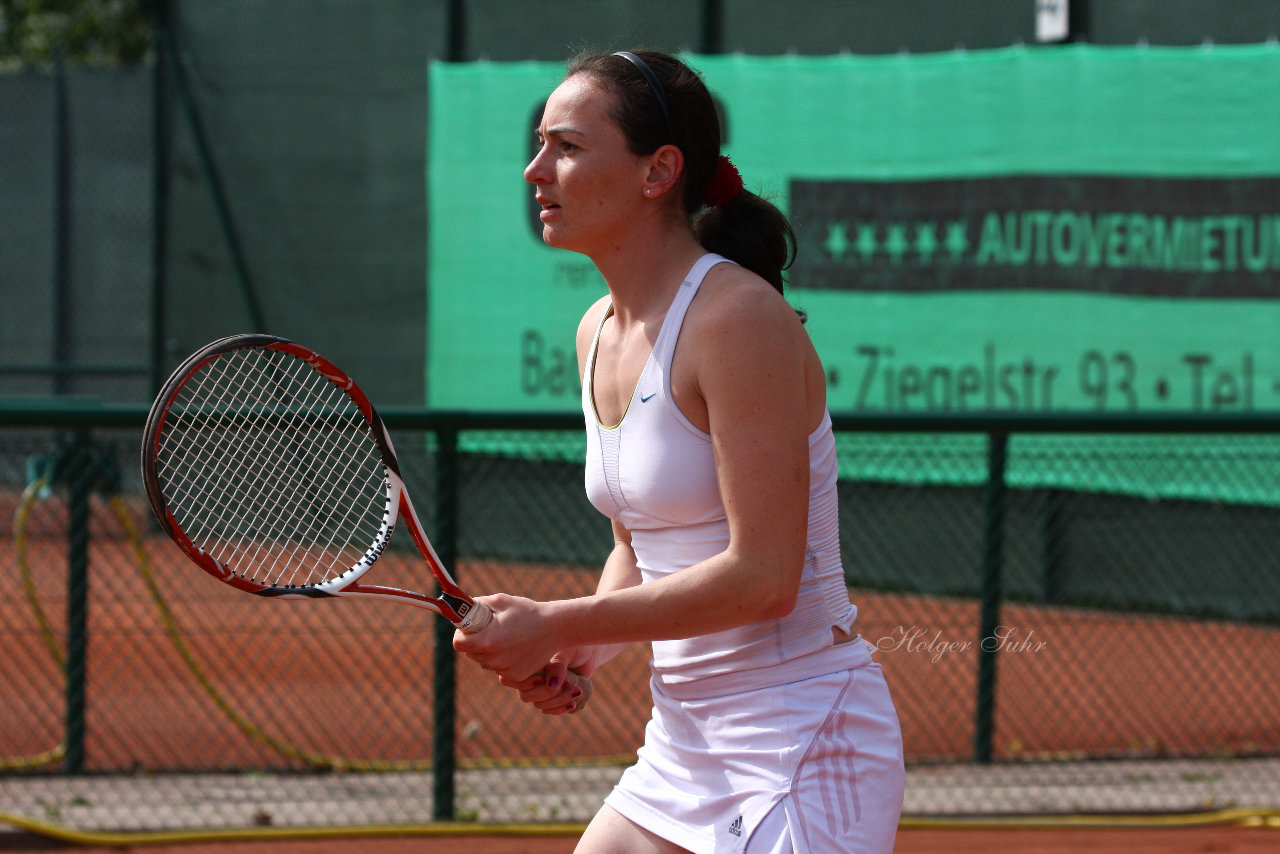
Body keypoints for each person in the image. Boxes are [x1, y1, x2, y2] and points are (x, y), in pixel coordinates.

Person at [454, 48, 904, 854]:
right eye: (540, 143)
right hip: (684, 741)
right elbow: (643, 546)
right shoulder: (596, 331)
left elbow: (764, 580)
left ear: (659, 170)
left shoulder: (737, 320)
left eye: (566, 146)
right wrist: (578, 649)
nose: (535, 169)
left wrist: (556, 618)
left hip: (801, 737)